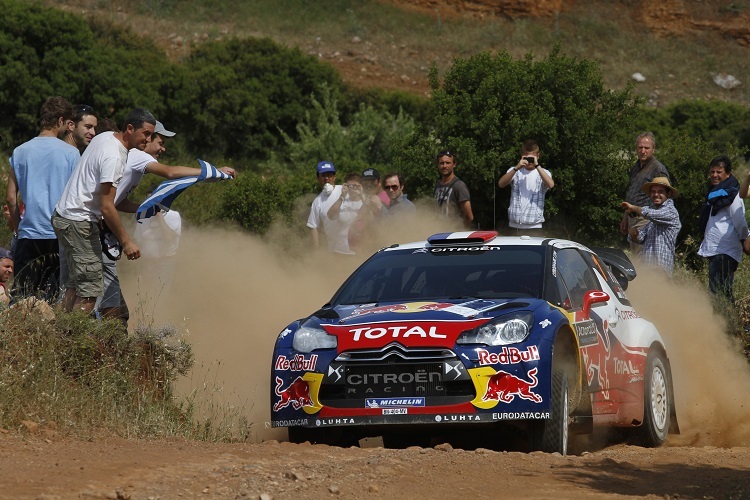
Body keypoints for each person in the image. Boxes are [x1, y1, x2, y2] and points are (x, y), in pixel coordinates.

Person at [97, 120, 235, 324]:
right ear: (149, 138)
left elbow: (117, 201)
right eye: (159, 141)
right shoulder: (136, 156)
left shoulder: (129, 157)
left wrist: (144, 208)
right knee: (101, 300)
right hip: (95, 227)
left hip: (99, 229)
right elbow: (171, 172)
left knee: (107, 300)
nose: (163, 148)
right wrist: (213, 171)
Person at [52, 108, 156, 314]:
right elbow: (107, 206)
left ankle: (57, 334)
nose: (149, 139)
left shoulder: (105, 137)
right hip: (79, 222)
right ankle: (70, 339)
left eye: (151, 135)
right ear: (129, 128)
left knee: (74, 285)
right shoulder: (115, 157)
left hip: (65, 217)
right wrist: (126, 242)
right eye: (145, 133)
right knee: (89, 293)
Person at [6, 96, 80, 303]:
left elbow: (11, 198)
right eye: (67, 124)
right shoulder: (71, 154)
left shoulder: (20, 151)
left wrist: (19, 227)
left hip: (29, 234)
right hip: (59, 235)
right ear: (60, 120)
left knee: (21, 297)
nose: (68, 129)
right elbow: (77, 197)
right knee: (55, 298)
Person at [697, 156, 749, 303]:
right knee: (721, 292)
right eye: (712, 172)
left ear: (728, 173)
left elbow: (740, 221)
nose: (714, 175)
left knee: (718, 293)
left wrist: (745, 239)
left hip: (725, 250)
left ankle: (726, 324)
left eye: (719, 172)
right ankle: (728, 322)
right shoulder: (716, 193)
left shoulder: (733, 194)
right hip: (716, 249)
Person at [620, 132, 670, 252]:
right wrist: (625, 217)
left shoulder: (658, 169)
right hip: (632, 219)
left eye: (646, 148)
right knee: (636, 260)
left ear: (653, 149)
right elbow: (632, 193)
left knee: (643, 259)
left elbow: (665, 198)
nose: (643, 151)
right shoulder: (636, 166)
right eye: (640, 147)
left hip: (646, 220)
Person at [620, 177, 681, 276]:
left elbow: (651, 214)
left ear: (668, 194)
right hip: (648, 267)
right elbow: (640, 238)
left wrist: (633, 208)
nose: (656, 195)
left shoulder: (671, 211)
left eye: (660, 191)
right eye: (653, 192)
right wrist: (634, 233)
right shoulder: (652, 219)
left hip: (661, 269)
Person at [497, 139, 554, 235]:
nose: (530, 161)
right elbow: (501, 184)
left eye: (532, 158)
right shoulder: (514, 171)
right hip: (514, 225)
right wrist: (516, 168)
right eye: (527, 158)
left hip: (534, 226)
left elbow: (551, 184)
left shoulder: (544, 173)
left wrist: (537, 166)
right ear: (522, 156)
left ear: (538, 156)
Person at [326, 173, 375, 255]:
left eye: (356, 186)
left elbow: (371, 220)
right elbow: (330, 216)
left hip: (360, 252)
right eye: (350, 186)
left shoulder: (366, 200)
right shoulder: (342, 201)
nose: (353, 189)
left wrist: (361, 195)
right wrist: (342, 196)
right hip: (340, 251)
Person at [307, 161, 343, 251]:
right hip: (333, 250)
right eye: (323, 175)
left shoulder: (343, 189)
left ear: (334, 177)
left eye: (329, 175)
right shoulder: (317, 201)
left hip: (352, 246)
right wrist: (317, 249)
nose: (327, 178)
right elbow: (313, 226)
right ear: (318, 178)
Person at [434, 150, 473, 227]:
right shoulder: (437, 185)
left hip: (453, 234)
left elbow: (469, 216)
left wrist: (460, 231)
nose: (444, 166)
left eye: (448, 163)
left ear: (454, 164)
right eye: (441, 163)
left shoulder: (459, 186)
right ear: (438, 165)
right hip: (438, 232)